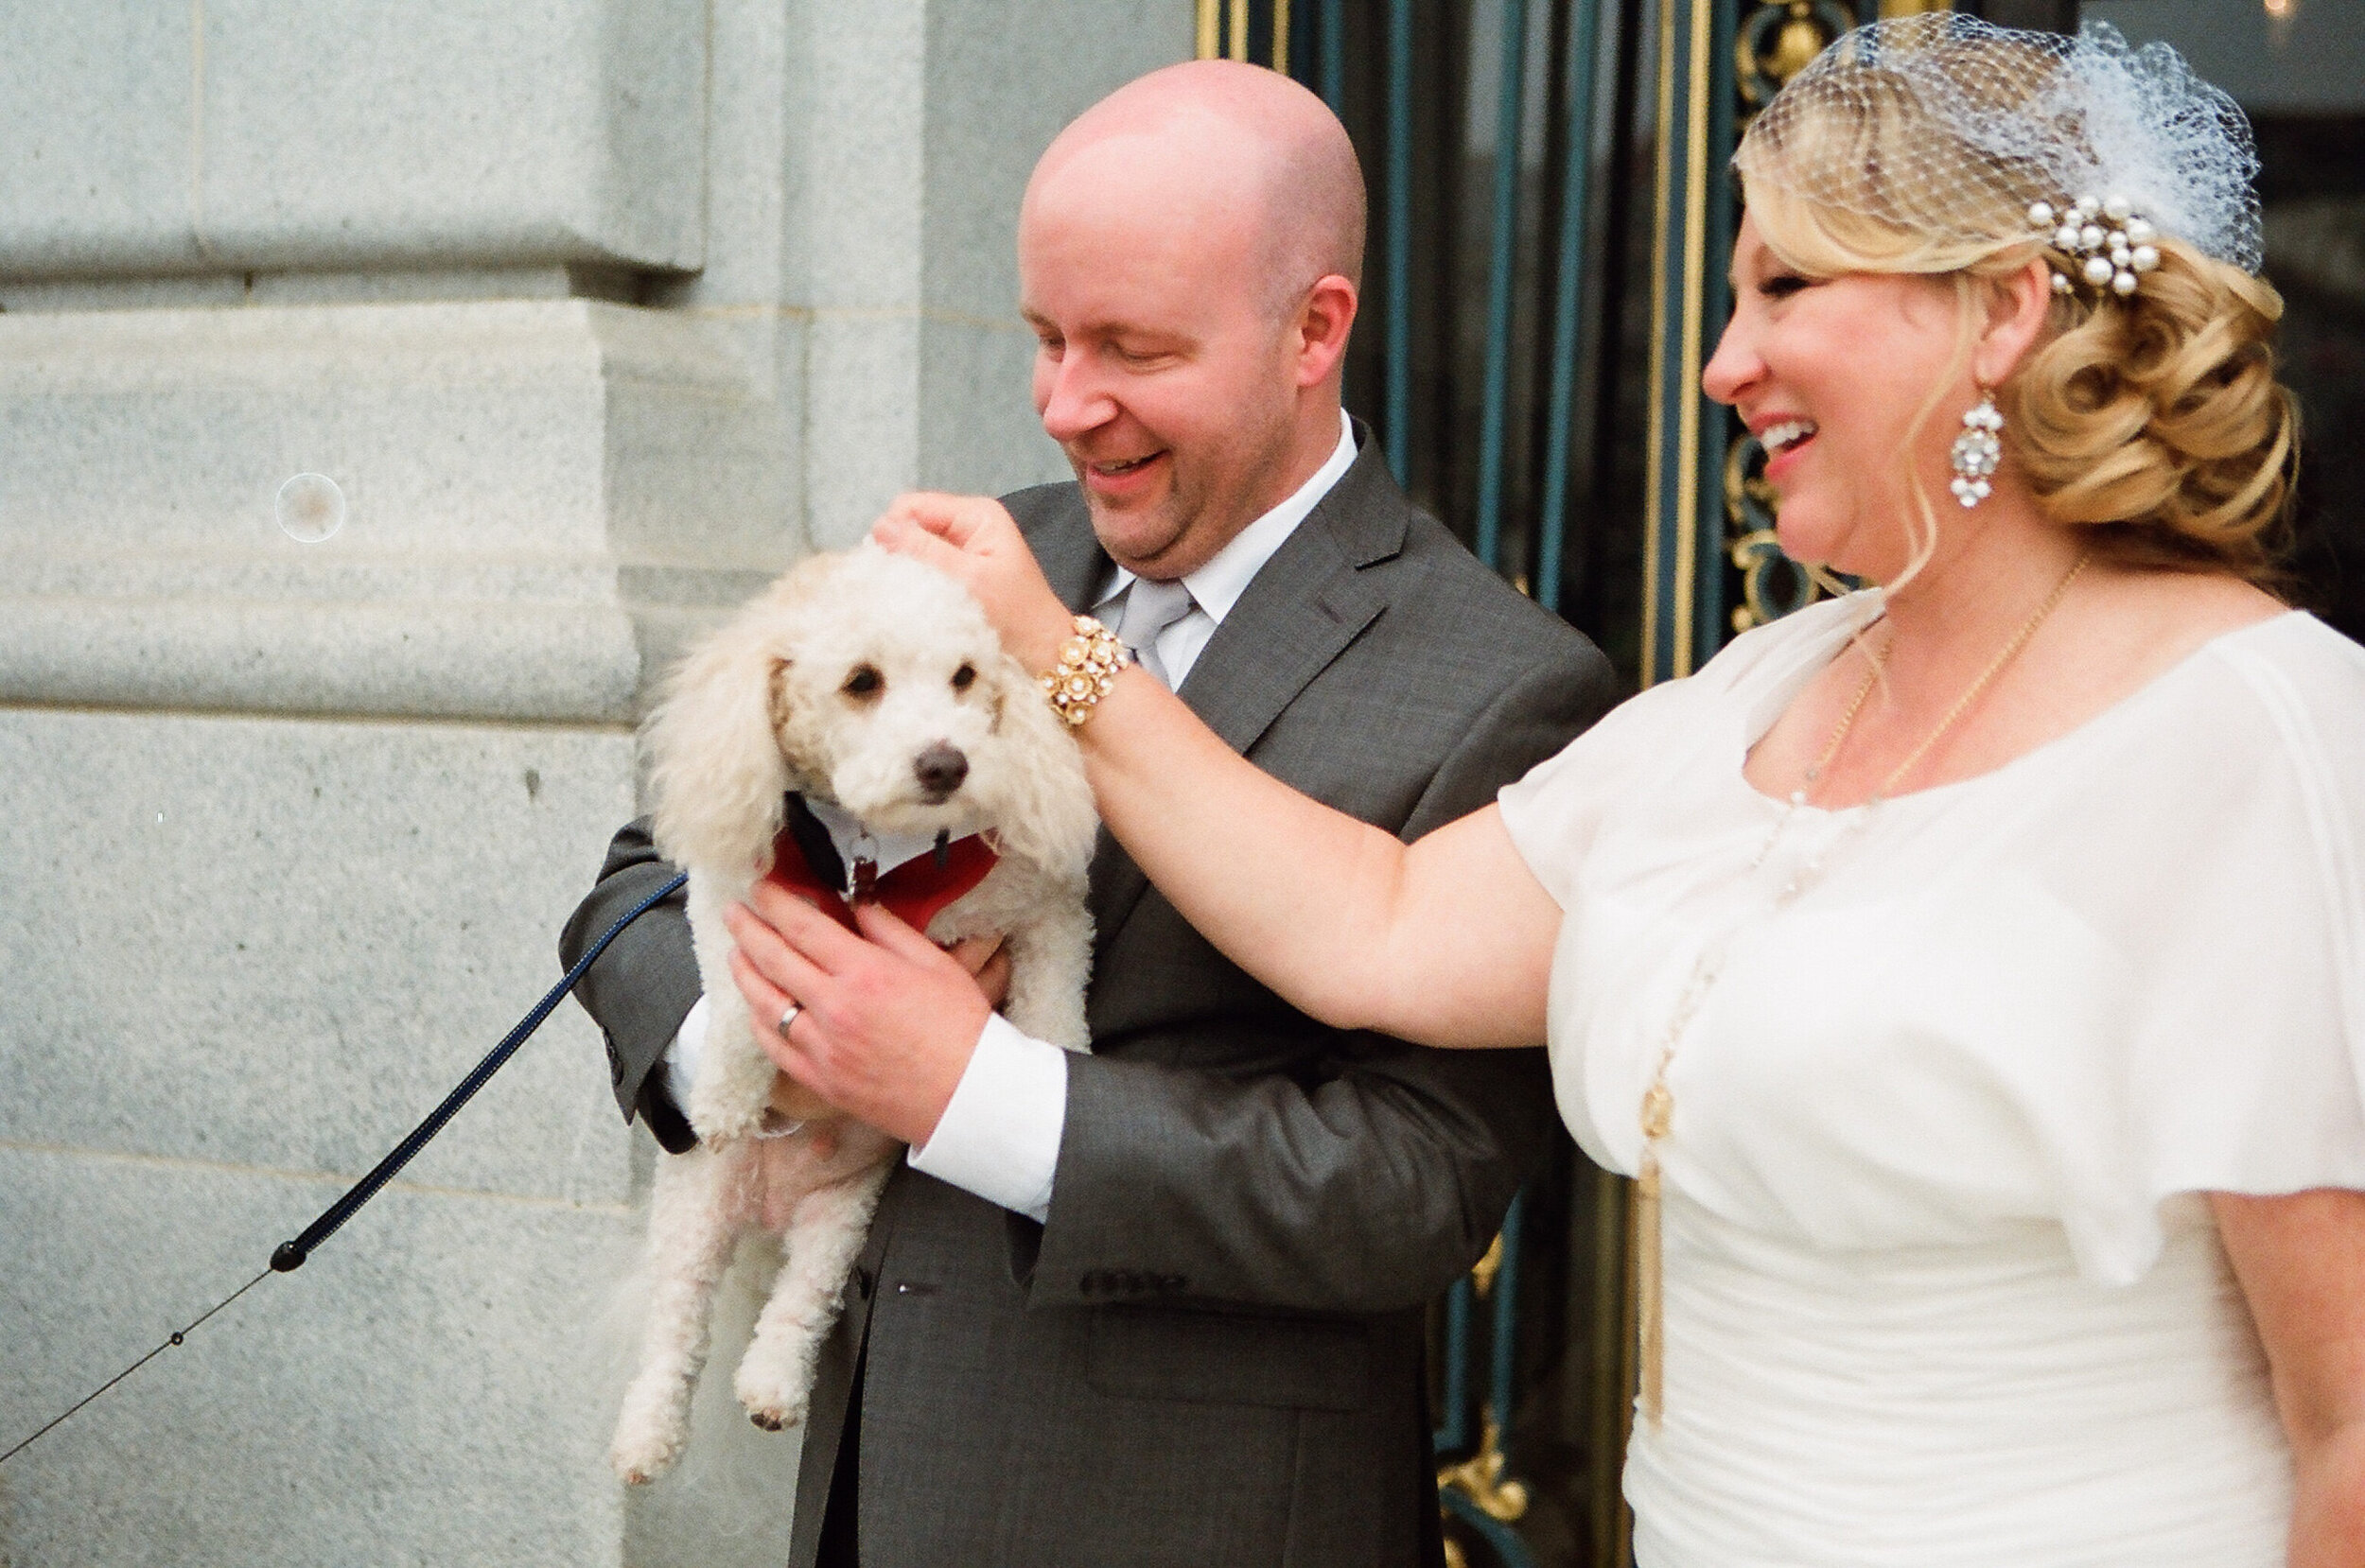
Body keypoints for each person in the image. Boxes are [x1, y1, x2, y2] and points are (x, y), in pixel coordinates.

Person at [843, 18, 2365, 1566]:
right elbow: (1374, 920)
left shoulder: (2258, 733)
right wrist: (1061, 651)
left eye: (1787, 286)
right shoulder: (1756, 698)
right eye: (1729, 294)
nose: (1722, 362)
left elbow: (2353, 1427)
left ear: (2001, 311)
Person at [560, 60, 1616, 1568]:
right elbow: (640, 876)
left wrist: (970, 1088)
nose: (1066, 406)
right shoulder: (975, 560)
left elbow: (1408, 1188)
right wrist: (754, 1047)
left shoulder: (1503, 682)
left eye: (1131, 347)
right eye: (1047, 338)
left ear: (1315, 328)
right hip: (866, 1498)